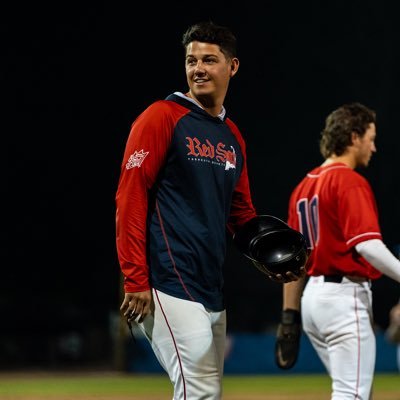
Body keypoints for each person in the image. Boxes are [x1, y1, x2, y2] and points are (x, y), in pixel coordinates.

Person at [115, 21, 303, 399]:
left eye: (209, 59)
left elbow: (242, 215)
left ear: (232, 66)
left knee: (205, 391)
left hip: (209, 283)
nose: (197, 67)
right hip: (166, 279)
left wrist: (267, 253)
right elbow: (130, 197)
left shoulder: (232, 135)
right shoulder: (162, 116)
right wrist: (135, 278)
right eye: (191, 59)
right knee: (198, 390)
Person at [274, 102, 400, 399]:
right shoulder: (349, 181)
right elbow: (368, 246)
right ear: (354, 137)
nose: (374, 147)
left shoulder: (303, 187)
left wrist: (289, 315)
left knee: (355, 391)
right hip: (343, 299)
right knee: (352, 394)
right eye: (370, 138)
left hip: (313, 302)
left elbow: (295, 263)